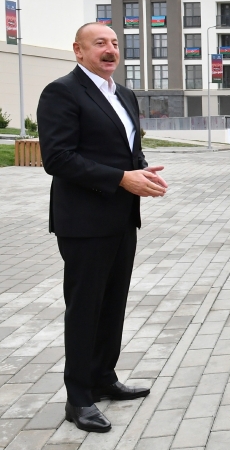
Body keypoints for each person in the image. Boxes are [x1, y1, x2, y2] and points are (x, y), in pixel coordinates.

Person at [37, 23, 168, 433]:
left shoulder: (124, 94)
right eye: (100, 44)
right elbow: (57, 158)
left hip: (120, 217)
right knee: (85, 308)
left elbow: (130, 149)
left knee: (112, 303)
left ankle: (103, 378)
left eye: (114, 43)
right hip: (83, 221)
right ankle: (78, 399)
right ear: (78, 51)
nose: (110, 50)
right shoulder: (61, 92)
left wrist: (142, 172)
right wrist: (120, 179)